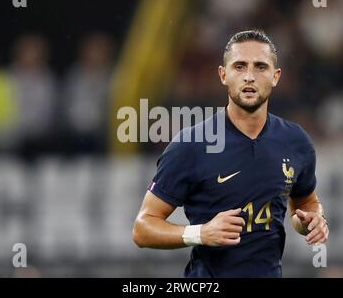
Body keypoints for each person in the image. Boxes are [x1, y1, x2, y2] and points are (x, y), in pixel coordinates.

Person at [132, 30, 328, 277]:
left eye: (260, 67)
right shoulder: (191, 145)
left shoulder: (296, 141)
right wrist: (200, 233)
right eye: (239, 66)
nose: (249, 76)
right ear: (223, 75)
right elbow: (142, 228)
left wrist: (311, 220)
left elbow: (306, 202)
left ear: (275, 76)